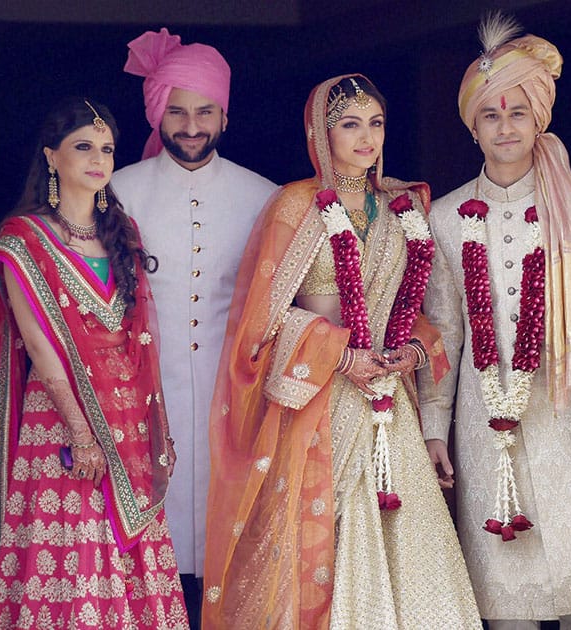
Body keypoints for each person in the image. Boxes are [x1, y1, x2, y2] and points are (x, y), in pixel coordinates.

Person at [200, 74, 481, 629]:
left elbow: (417, 309)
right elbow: (264, 320)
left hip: (388, 399)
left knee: (406, 530)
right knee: (323, 531)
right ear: (319, 132)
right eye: (350, 124)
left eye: (375, 124)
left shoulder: (400, 205)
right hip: (321, 399)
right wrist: (339, 352)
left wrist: (414, 351)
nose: (366, 137)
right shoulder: (296, 205)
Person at [420, 14, 571, 628]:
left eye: (518, 112)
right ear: (472, 127)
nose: (505, 127)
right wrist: (434, 427)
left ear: (540, 117)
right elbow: (444, 332)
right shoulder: (445, 216)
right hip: (488, 428)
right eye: (490, 115)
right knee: (505, 603)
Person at [0, 97, 188, 628]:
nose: (98, 159)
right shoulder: (23, 240)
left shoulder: (123, 234)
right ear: (52, 157)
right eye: (83, 147)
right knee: (74, 549)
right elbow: (41, 345)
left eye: (107, 149)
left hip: (126, 423)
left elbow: (138, 339)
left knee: (128, 550)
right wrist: (79, 429)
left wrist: (151, 427)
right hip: (59, 422)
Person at [110, 28, 278, 619]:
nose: (190, 125)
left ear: (224, 114)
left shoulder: (265, 197)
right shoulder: (116, 192)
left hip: (232, 398)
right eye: (176, 110)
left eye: (204, 110)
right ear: (157, 111)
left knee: (229, 546)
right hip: (137, 398)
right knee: (149, 552)